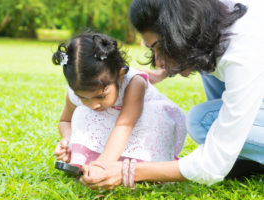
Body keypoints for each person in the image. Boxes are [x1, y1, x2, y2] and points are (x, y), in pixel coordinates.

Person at [80, 0, 264, 189]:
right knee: (206, 62)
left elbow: (212, 166)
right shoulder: (213, 18)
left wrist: (127, 171)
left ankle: (244, 155)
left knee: (203, 121)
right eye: (153, 49)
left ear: (180, 30)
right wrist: (164, 72)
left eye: (160, 47)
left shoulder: (243, 49)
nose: (158, 61)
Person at [52, 33, 187, 185]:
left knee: (153, 116)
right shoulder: (78, 90)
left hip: (141, 126)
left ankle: (141, 167)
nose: (94, 104)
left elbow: (124, 125)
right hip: (115, 129)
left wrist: (101, 165)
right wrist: (67, 139)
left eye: (101, 96)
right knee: (82, 113)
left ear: (120, 75)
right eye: (84, 97)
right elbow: (65, 120)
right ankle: (90, 161)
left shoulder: (134, 82)